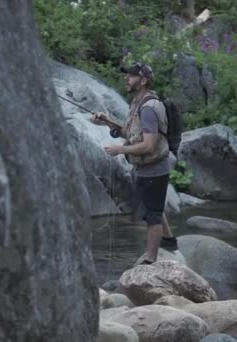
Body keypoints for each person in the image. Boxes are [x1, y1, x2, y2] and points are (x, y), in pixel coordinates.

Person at [90, 62, 178, 264]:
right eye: (127, 75)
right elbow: (132, 133)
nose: (126, 79)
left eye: (131, 76)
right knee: (152, 207)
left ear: (143, 81)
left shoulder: (148, 108)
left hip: (154, 170)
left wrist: (120, 149)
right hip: (146, 169)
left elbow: (148, 145)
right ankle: (170, 241)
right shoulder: (138, 104)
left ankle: (151, 261)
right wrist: (107, 122)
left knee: (152, 216)